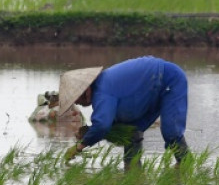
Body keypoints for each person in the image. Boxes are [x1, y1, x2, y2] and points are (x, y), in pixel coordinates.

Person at [59, 56, 190, 169]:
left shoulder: (102, 91)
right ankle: (133, 171)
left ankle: (186, 165)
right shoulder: (103, 89)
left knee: (171, 132)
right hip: (150, 88)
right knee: (131, 132)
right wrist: (89, 132)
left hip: (168, 80)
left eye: (76, 99)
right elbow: (108, 122)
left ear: (86, 90)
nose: (76, 103)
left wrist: (79, 147)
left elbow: (102, 125)